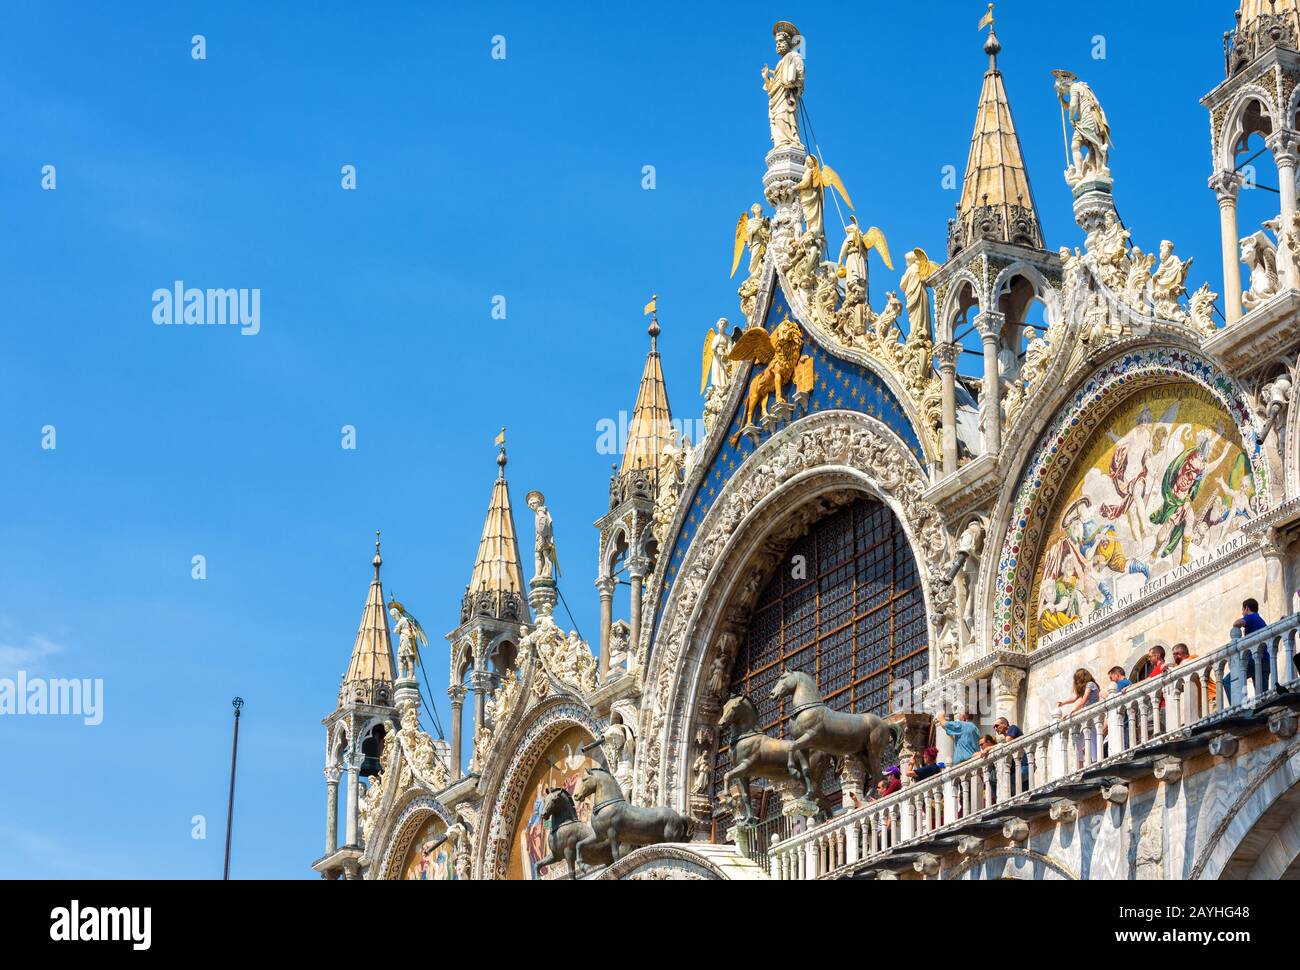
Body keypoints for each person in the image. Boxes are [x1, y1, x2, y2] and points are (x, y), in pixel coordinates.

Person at [1057, 668, 1102, 766]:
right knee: (1080, 740)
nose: (1076, 681)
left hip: (1093, 715)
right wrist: (1063, 703)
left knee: (1093, 739)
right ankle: (1080, 765)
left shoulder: (1090, 685)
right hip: (1088, 715)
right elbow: (1074, 699)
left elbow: (1083, 701)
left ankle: (1095, 762)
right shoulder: (1086, 687)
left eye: (1077, 678)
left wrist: (1072, 712)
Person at [1172, 642, 1216, 715]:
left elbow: (1185, 663)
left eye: (1174, 654)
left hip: (1210, 698)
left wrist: (1171, 667)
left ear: (1179, 653)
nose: (1174, 657)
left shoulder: (1193, 658)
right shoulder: (1179, 666)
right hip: (1200, 703)